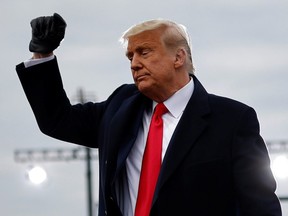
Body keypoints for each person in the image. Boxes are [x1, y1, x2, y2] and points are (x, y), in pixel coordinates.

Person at [16, 13, 282, 216]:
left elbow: (260, 207)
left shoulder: (232, 120)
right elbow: (58, 120)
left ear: (179, 57)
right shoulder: (119, 107)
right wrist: (42, 53)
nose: (134, 63)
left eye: (144, 52)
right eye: (130, 56)